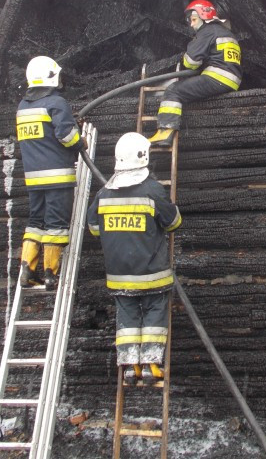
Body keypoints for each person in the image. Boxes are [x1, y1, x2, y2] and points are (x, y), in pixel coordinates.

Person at [86, 132, 182, 384]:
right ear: (144, 157)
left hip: (119, 276)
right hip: (152, 274)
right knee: (154, 313)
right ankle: (151, 364)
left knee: (127, 317)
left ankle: (130, 368)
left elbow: (94, 228)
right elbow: (173, 223)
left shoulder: (103, 194)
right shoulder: (152, 190)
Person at [15, 55, 86, 291]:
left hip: (34, 178)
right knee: (56, 224)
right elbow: (66, 136)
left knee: (36, 222)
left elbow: (43, 135)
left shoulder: (23, 107)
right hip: (57, 177)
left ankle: (27, 270)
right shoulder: (57, 102)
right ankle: (50, 274)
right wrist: (80, 142)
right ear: (52, 76)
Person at [147, 0, 242, 146]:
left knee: (173, 91)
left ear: (204, 15)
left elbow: (191, 62)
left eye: (193, 19)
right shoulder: (226, 33)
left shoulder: (207, 31)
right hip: (232, 79)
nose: (191, 24)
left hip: (217, 76)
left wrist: (185, 58)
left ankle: (165, 131)